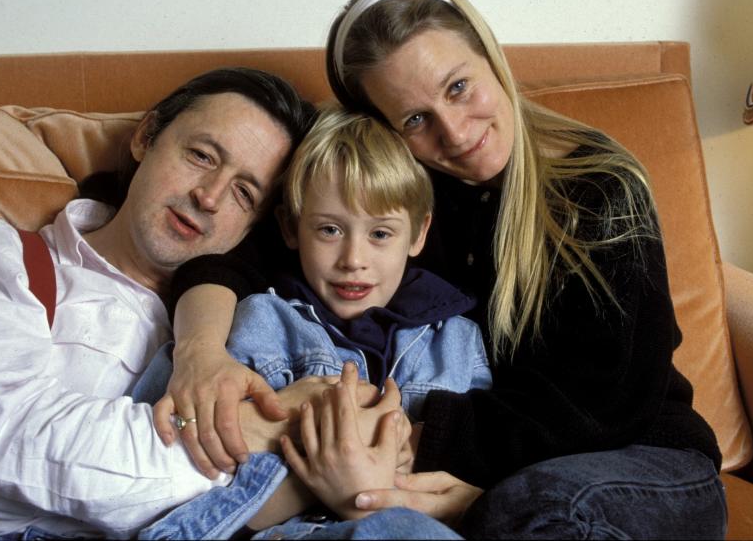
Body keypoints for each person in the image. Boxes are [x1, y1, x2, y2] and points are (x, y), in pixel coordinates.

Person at [159, 0, 728, 539]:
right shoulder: (404, 198)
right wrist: (201, 351)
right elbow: (231, 258)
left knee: (530, 512)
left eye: (458, 87)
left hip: (646, 458)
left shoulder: (598, 184)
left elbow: (610, 400)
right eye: (414, 120)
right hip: (505, 473)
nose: (454, 133)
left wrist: (403, 449)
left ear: (490, 55)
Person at [0, 67, 319, 540]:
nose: (210, 196)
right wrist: (249, 434)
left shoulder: (252, 333)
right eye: (201, 156)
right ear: (145, 137)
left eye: (244, 192)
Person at [132, 107, 490, 540]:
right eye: (329, 231)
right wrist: (336, 489)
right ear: (289, 227)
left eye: (380, 234)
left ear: (418, 234)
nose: (353, 260)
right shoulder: (260, 324)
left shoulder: (457, 341)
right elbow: (174, 492)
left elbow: (462, 491)